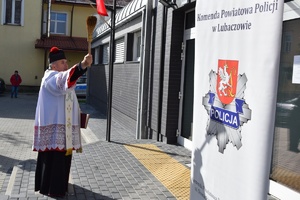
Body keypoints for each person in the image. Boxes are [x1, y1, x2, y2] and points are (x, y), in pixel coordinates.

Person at [33, 46, 93, 197]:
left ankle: (59, 186)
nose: (66, 65)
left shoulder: (58, 77)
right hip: (55, 130)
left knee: (61, 161)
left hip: (62, 128)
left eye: (66, 62)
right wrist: (82, 66)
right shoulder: (51, 77)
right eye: (62, 62)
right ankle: (53, 188)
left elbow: (68, 88)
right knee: (55, 161)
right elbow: (65, 80)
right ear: (53, 65)